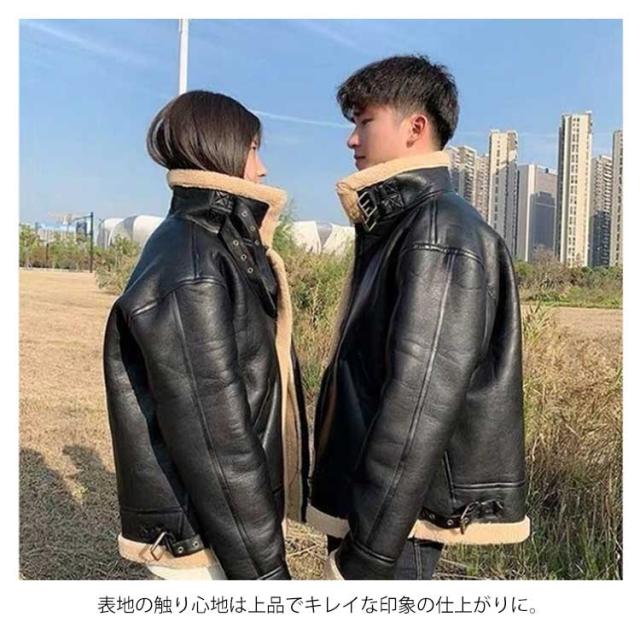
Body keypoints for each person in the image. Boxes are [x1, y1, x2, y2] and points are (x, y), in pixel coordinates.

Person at [307, 55, 531, 580]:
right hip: (383, 511)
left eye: (365, 121)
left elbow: (419, 405)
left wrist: (369, 555)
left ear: (414, 128)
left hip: (396, 525)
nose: (352, 139)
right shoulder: (405, 225)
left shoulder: (438, 232)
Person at [103, 90, 309, 580]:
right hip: (210, 543)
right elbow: (217, 442)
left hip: (221, 530)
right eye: (254, 150)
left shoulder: (209, 245)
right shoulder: (194, 260)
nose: (262, 169)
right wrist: (265, 572)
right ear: (222, 149)